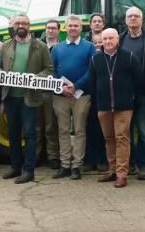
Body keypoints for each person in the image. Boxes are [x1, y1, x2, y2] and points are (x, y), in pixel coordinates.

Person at [0, 14, 52, 184]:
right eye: (17, 23)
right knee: (13, 133)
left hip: (30, 98)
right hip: (10, 97)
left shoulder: (40, 46)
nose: (21, 25)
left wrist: (35, 78)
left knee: (29, 134)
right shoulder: (5, 46)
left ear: (29, 26)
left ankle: (29, 170)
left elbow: (49, 69)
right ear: (13, 26)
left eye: (24, 23)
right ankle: (15, 167)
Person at [89, 28, 141, 188]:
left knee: (122, 138)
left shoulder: (129, 57)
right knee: (109, 139)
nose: (107, 42)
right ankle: (111, 170)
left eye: (111, 38)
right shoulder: (95, 59)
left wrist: (131, 98)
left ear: (117, 39)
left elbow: (139, 81)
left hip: (123, 107)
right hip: (104, 107)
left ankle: (121, 174)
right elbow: (92, 83)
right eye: (104, 39)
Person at [51, 14, 96, 180]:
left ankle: (77, 165)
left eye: (76, 26)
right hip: (60, 95)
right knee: (62, 130)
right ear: (65, 27)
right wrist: (60, 86)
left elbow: (91, 70)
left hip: (81, 95)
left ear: (81, 27)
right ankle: (65, 165)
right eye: (70, 25)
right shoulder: (57, 48)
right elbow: (52, 70)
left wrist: (76, 86)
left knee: (79, 130)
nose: (73, 28)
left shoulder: (89, 47)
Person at [119, 6, 145, 180]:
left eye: (136, 16)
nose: (133, 19)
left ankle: (143, 165)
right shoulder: (120, 39)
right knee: (126, 131)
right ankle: (131, 163)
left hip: (144, 93)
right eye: (130, 16)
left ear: (142, 20)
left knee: (144, 131)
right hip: (126, 94)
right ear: (126, 20)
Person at [83, 13, 108, 173]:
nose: (99, 44)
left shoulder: (111, 49)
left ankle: (104, 160)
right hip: (89, 93)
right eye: (94, 21)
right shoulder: (86, 47)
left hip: (105, 95)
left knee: (105, 129)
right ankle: (90, 160)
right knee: (90, 127)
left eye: (100, 21)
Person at [35, 19, 60, 169]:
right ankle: (37, 155)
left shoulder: (62, 47)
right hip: (37, 90)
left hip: (52, 92)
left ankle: (53, 156)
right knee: (37, 125)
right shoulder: (37, 47)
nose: (50, 30)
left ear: (58, 30)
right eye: (48, 28)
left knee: (51, 126)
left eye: (53, 28)